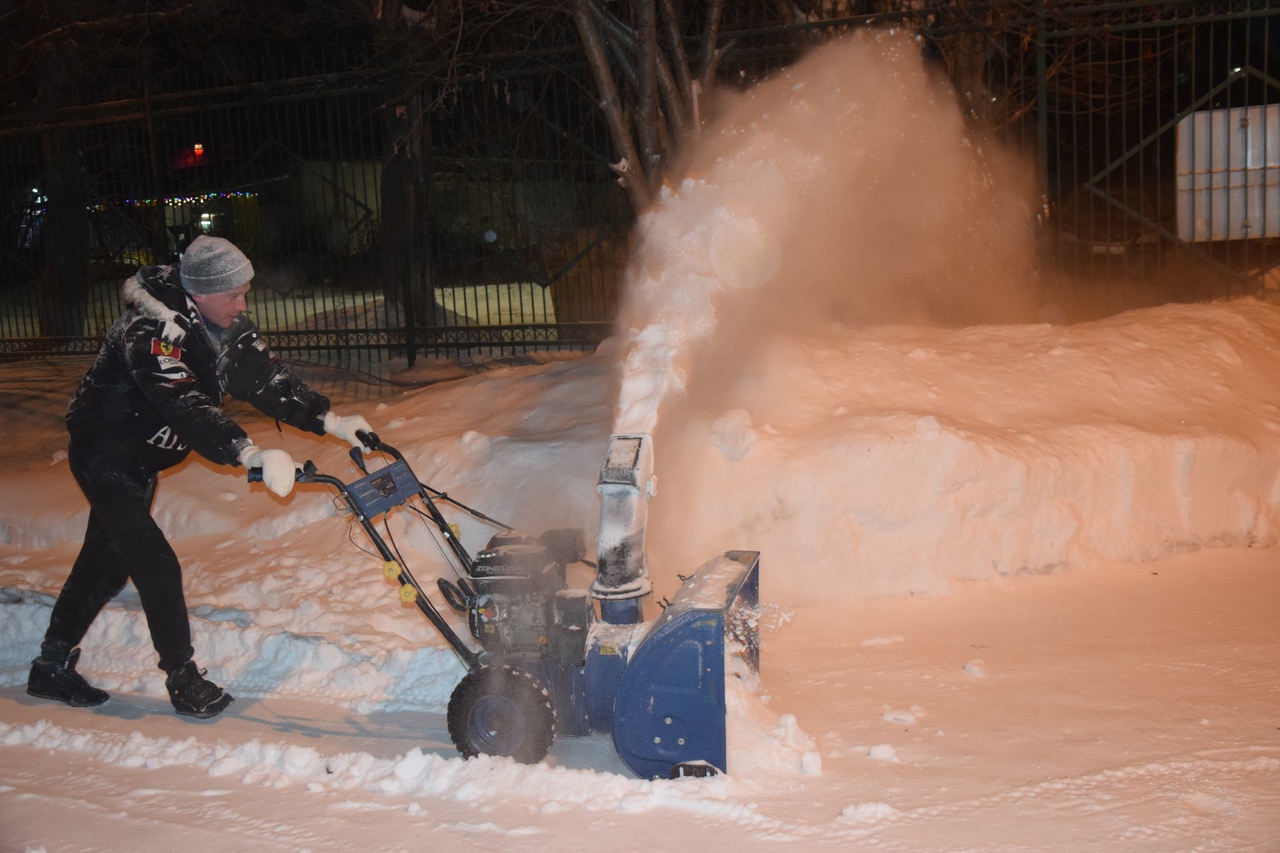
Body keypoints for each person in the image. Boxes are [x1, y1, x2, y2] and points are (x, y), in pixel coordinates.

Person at [27, 235, 374, 719]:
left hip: (143, 460)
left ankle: (49, 666)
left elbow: (270, 383)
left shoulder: (224, 326)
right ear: (201, 293)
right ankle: (181, 677)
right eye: (233, 295)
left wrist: (331, 422)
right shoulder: (151, 332)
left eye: (245, 292)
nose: (242, 304)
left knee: (106, 563)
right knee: (156, 564)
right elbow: (183, 404)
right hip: (105, 456)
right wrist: (245, 451)